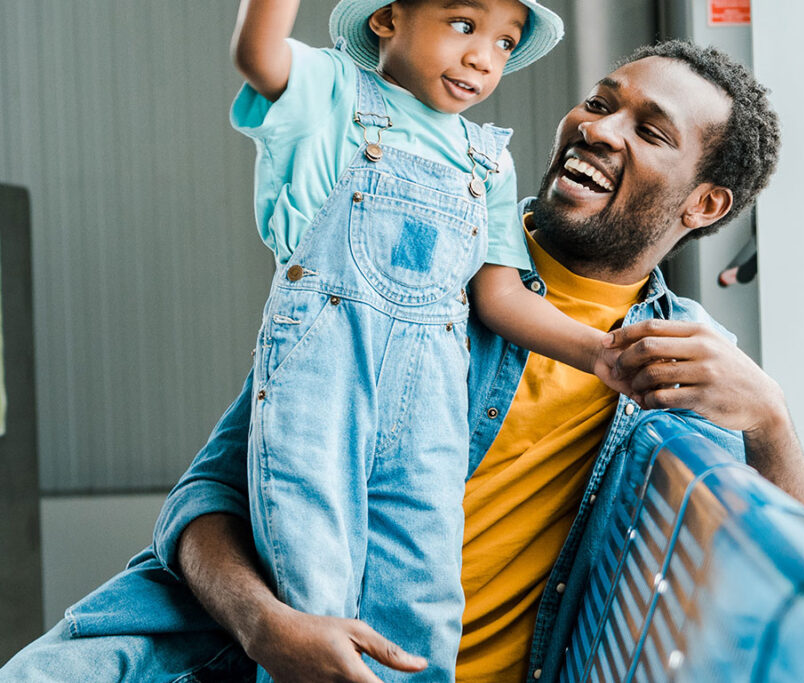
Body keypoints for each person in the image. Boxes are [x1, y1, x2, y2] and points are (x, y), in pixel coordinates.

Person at [0, 40, 804, 683]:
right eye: (598, 102)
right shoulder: (406, 256)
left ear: (706, 203)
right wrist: (266, 626)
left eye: (648, 131)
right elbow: (207, 498)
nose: (597, 128)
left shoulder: (682, 363)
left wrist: (771, 418)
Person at [208, 0, 644, 680]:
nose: (483, 57)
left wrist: (599, 352)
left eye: (505, 43)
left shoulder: (486, 161)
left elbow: (497, 296)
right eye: (465, 26)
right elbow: (257, 54)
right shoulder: (330, 95)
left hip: (432, 405)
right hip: (323, 384)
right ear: (386, 19)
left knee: (424, 588)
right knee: (314, 575)